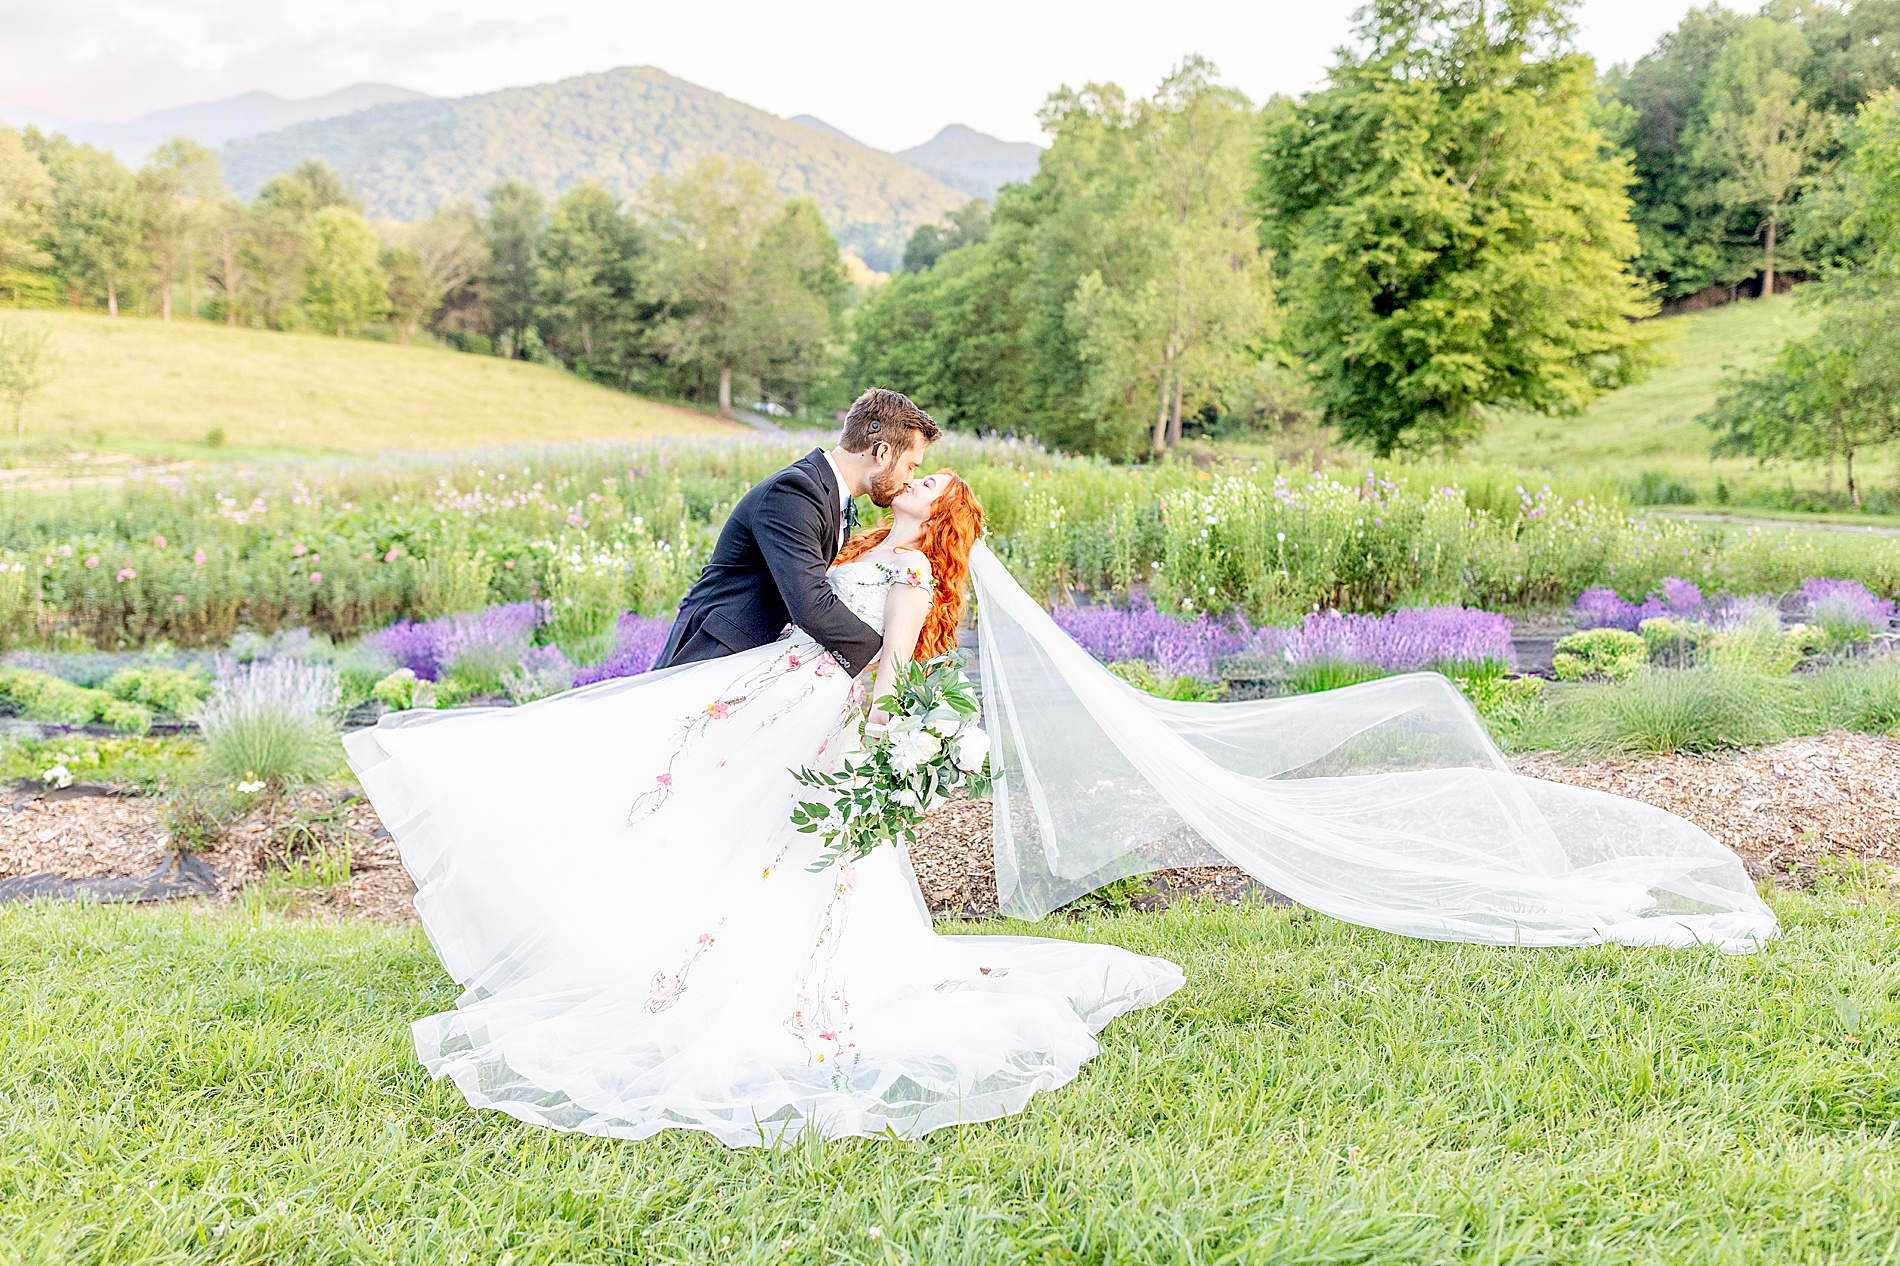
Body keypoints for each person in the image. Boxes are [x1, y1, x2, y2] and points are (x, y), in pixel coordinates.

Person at [346, 456, 1184, 1147]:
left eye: (933, 482)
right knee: (710, 820)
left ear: (940, 515)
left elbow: (891, 666)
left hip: (820, 716)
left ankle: (772, 976)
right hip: (765, 697)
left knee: (786, 847)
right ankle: (663, 945)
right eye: (919, 468)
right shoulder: (855, 543)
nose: (920, 478)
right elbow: (803, 608)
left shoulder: (914, 567)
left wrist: (870, 739)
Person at [652, 388, 938, 675]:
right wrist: (882, 654)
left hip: (748, 657)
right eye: (911, 466)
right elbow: (810, 603)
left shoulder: (827, 496)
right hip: (712, 652)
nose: (909, 479)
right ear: (883, 453)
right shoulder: (794, 491)